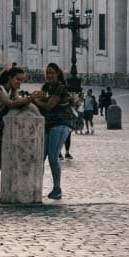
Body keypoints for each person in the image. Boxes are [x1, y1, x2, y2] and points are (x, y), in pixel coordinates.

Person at [0, 64, 36, 203]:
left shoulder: (11, 90)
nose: (19, 83)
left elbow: (17, 100)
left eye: (21, 80)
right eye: (17, 79)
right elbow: (9, 103)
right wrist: (29, 99)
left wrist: (30, 99)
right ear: (9, 77)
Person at [33, 62, 74, 201]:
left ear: (57, 74)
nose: (49, 75)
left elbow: (49, 106)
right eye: (47, 72)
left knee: (53, 156)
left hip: (61, 123)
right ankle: (36, 186)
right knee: (41, 156)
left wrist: (36, 100)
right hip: (48, 124)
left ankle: (57, 188)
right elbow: (43, 98)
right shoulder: (46, 86)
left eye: (52, 73)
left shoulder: (60, 88)